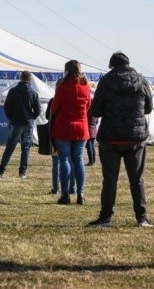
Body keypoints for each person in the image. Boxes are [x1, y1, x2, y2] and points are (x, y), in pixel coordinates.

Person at [88, 51, 154, 228]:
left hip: (111, 137)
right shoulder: (141, 80)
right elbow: (148, 108)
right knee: (137, 178)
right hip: (135, 138)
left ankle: (105, 217)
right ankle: (141, 217)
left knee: (110, 179)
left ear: (112, 65)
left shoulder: (106, 81)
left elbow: (96, 111)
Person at [50, 60, 92, 205]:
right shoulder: (85, 86)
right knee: (79, 159)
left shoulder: (62, 87)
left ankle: (65, 194)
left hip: (64, 126)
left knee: (64, 159)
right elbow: (88, 106)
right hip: (81, 127)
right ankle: (80, 193)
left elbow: (54, 109)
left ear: (66, 70)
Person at [0, 70, 41, 178]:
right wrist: (31, 118)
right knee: (25, 149)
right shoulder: (34, 93)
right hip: (28, 123)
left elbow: (7, 107)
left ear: (20, 78)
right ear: (30, 79)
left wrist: (12, 118)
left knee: (9, 148)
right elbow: (38, 110)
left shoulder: (13, 91)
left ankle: (1, 171)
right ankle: (22, 173)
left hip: (16, 122)